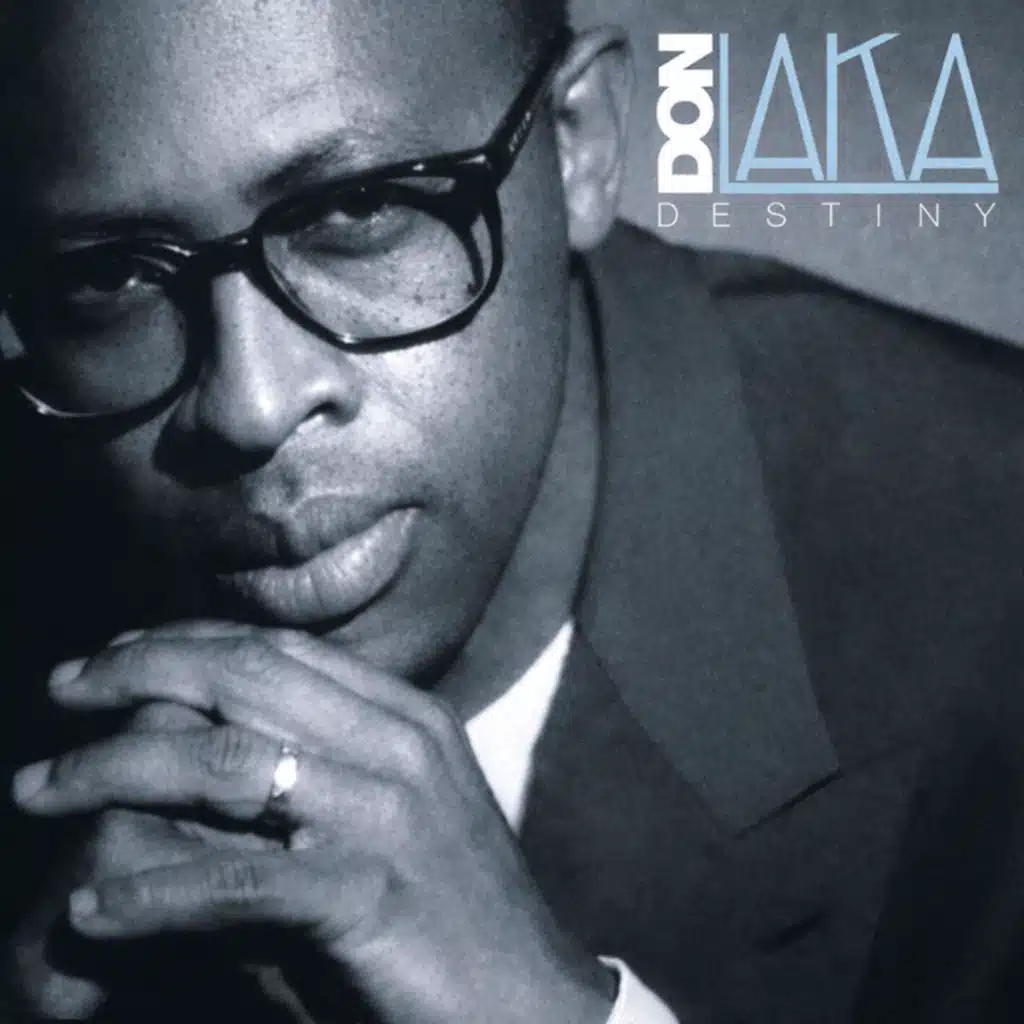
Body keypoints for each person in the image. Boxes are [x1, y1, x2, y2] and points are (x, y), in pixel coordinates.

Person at [1, 0, 1023, 1021]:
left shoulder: (989, 559)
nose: (250, 405)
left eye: (356, 209)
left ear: (579, 145)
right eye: (112, 274)